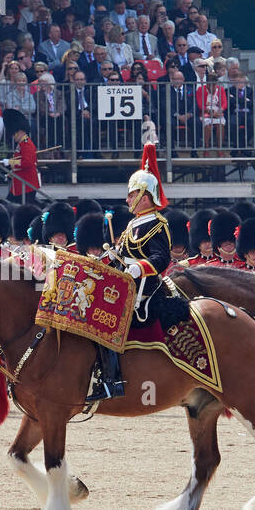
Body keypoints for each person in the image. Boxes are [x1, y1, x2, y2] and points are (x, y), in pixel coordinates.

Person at [95, 144, 174, 399]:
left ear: (144, 196)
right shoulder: (133, 223)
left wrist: (137, 269)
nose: (128, 200)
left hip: (144, 290)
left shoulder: (157, 225)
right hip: (126, 283)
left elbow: (161, 259)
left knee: (105, 317)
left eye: (131, 195)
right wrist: (98, 262)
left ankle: (112, 380)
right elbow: (119, 251)